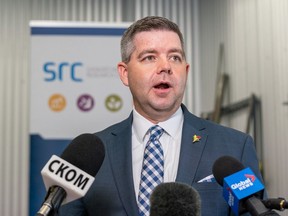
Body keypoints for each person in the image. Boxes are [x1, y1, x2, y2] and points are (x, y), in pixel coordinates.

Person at [59, 16, 264, 216]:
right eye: (149, 57)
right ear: (124, 73)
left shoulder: (236, 147)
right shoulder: (86, 157)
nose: (165, 67)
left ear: (186, 70)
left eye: (175, 57)